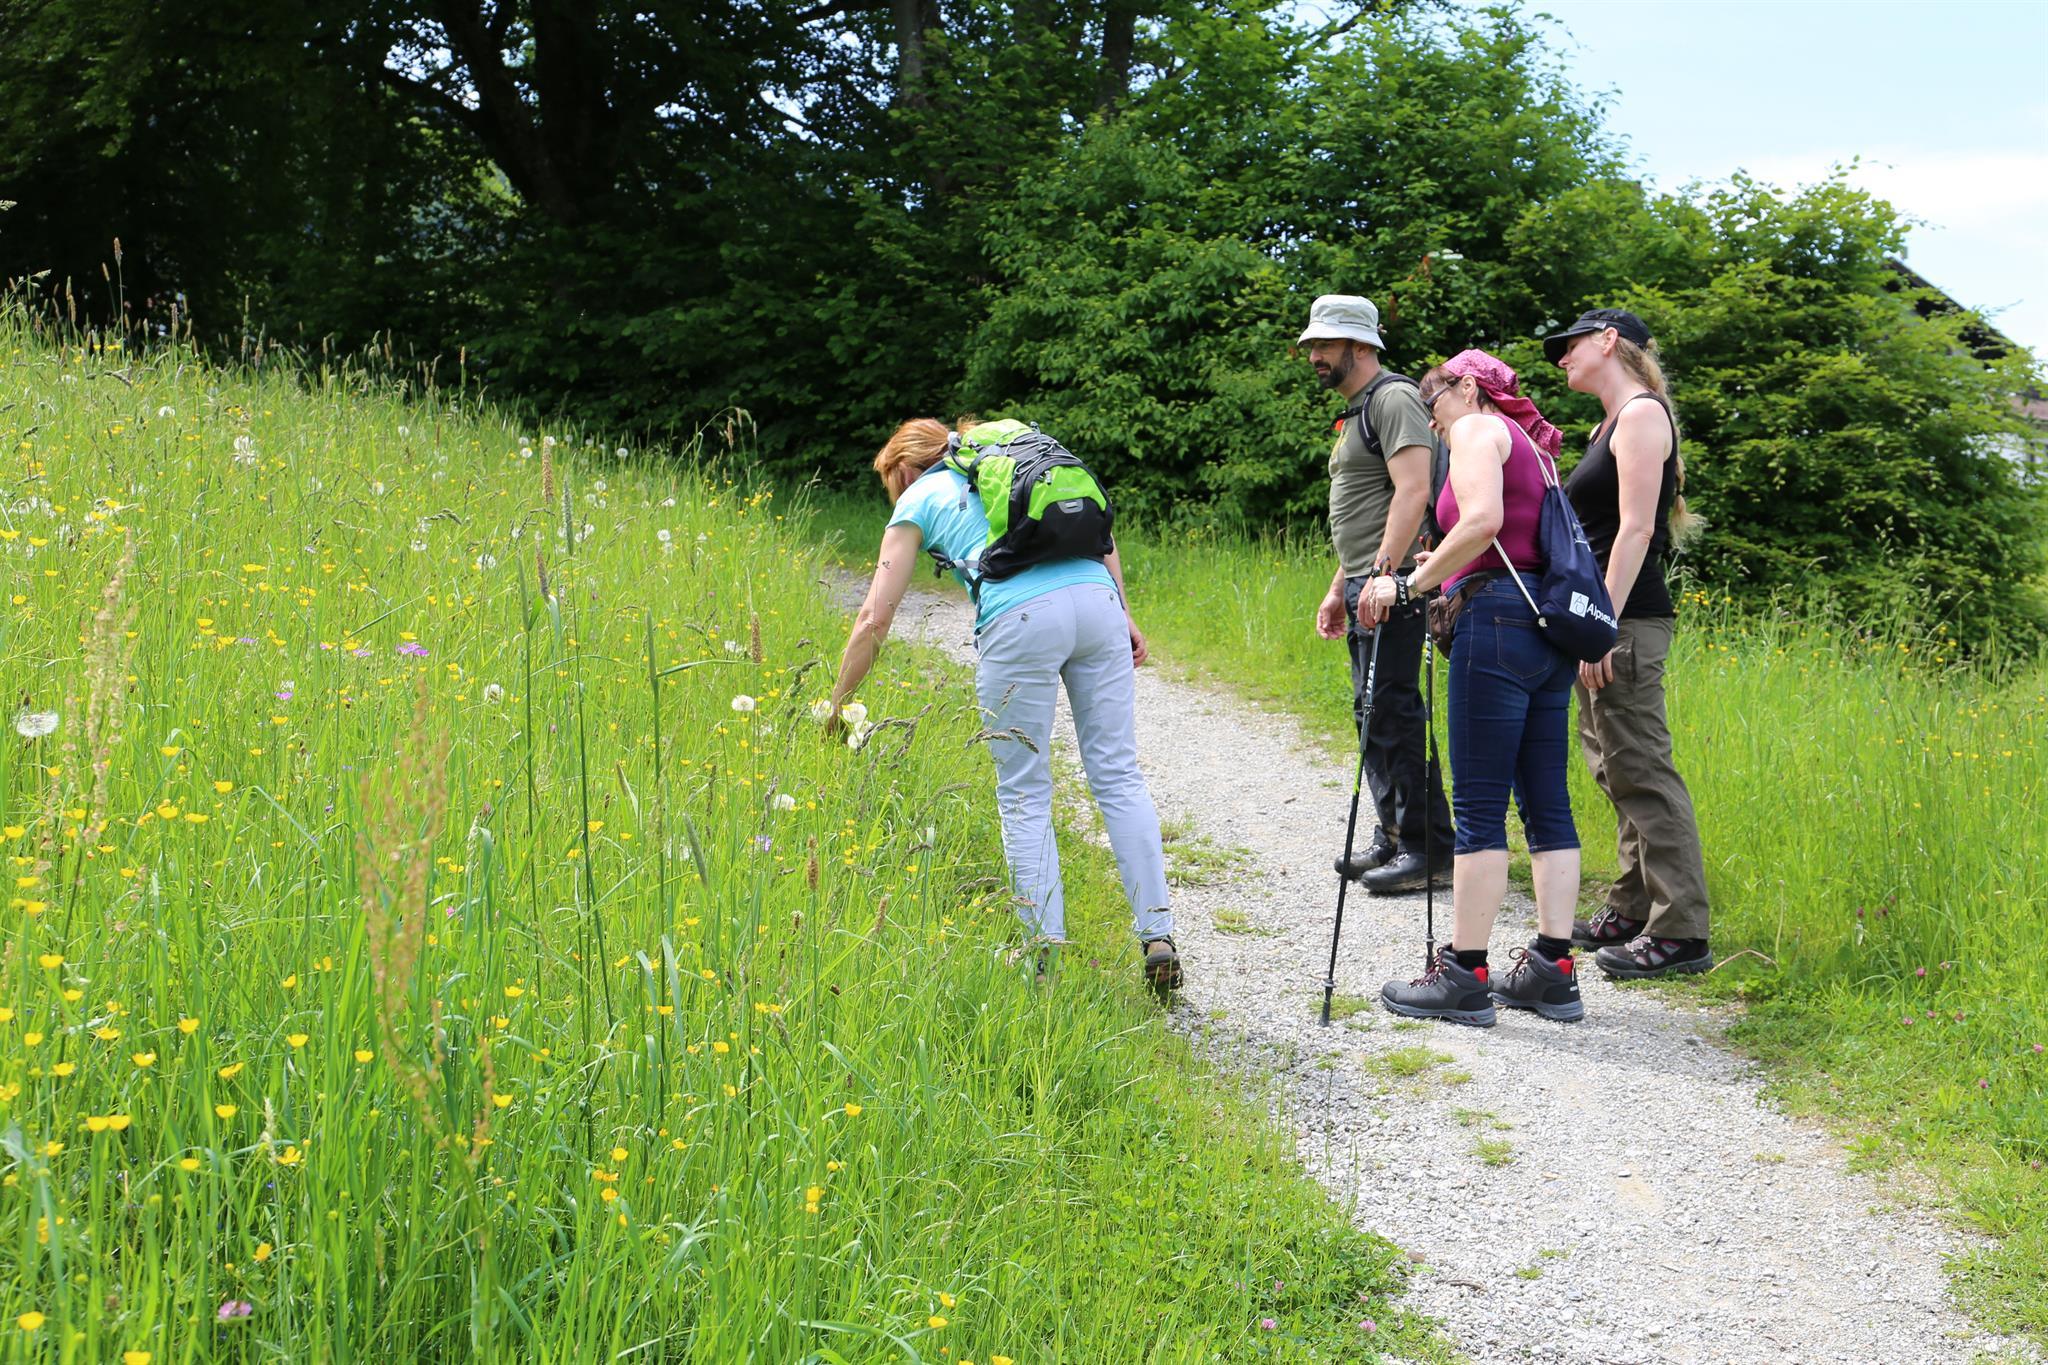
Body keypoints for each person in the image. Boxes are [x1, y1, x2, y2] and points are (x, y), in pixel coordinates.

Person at [825, 417, 1181, 992]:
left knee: (1023, 790)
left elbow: (873, 618)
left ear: (903, 469)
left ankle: (1043, 955)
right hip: (1098, 603)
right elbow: (1101, 533)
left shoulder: (919, 495)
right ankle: (1158, 935)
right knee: (1117, 772)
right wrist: (1123, 611)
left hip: (1020, 618)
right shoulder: (1015, 453)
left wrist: (837, 703)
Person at [1359, 350, 1584, 1027]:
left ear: (1466, 387)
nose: (1434, 424)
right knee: (1547, 802)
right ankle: (1553, 969)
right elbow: (1506, 537)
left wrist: (1407, 584)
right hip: (1545, 629)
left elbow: (1482, 519)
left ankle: (1464, 974)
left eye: (1435, 406)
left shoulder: (1479, 428)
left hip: (1495, 629)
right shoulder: (1532, 447)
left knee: (1481, 807)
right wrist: (1449, 563)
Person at [1546, 308, 1714, 978]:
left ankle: (1681, 931)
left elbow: (1637, 530)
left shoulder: (1643, 416)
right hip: (1603, 618)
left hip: (1625, 620)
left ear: (1608, 340)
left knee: (1642, 769)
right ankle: (1632, 904)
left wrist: (1601, 625)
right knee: (1614, 767)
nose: (1562, 357)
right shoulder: (1607, 425)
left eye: (1570, 345)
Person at [1301, 294, 1455, 895]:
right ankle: (1393, 835)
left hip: (1395, 584)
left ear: (1361, 345)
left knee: (1393, 709)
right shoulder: (1360, 409)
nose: (1314, 355)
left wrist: (1386, 577)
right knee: (1372, 712)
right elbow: (1365, 512)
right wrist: (1339, 586)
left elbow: (1413, 491)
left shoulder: (1392, 399)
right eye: (1312, 344)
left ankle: (1428, 848)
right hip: (1367, 582)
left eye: (1325, 344)